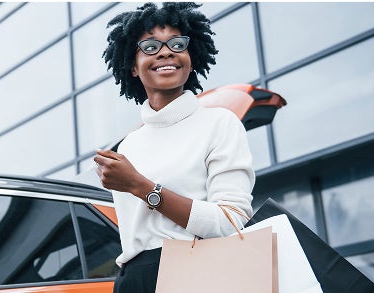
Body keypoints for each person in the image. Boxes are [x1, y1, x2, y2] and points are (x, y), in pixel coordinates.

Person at [93, 3, 255, 293]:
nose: (166, 52)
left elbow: (231, 222)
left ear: (190, 59)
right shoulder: (128, 145)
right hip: (132, 280)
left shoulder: (219, 123)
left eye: (177, 44)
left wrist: (141, 186)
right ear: (133, 65)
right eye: (150, 47)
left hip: (194, 273)